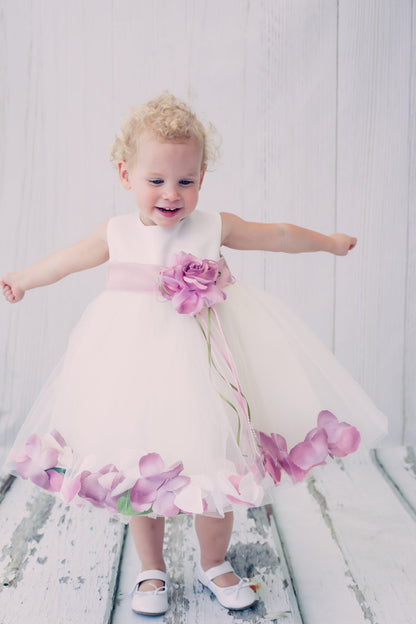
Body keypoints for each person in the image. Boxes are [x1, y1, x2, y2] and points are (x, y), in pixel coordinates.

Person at [1, 93, 387, 616]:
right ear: (124, 174)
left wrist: (328, 242)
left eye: (185, 180)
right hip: (131, 369)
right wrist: (23, 279)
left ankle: (213, 563)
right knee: (140, 469)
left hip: (206, 370)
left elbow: (275, 234)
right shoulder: (115, 233)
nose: (171, 193)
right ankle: (152, 570)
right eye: (156, 180)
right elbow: (67, 261)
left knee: (217, 465)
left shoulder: (213, 226)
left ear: (202, 179)